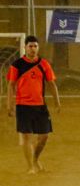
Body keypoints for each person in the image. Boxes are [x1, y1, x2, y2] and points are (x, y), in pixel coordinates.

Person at [6, 35, 61, 174]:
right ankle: (30, 166)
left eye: (35, 46)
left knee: (44, 136)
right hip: (23, 105)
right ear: (25, 47)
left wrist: (57, 101)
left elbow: (52, 84)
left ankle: (36, 159)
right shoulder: (17, 65)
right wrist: (9, 104)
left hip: (40, 106)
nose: (33, 49)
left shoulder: (44, 64)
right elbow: (11, 85)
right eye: (30, 46)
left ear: (38, 48)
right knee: (26, 136)